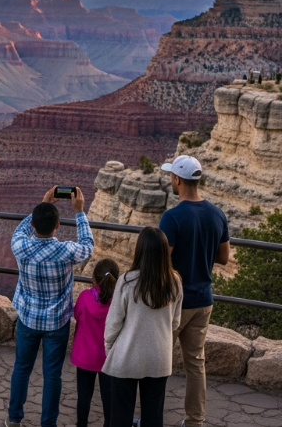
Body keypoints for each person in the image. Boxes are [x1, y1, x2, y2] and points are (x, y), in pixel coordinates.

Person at [6, 186, 93, 427]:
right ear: (57, 226)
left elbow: (21, 230)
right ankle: (48, 424)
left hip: (28, 319)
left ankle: (14, 419)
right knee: (52, 374)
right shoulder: (66, 251)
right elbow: (88, 245)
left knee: (22, 368)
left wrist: (43, 203)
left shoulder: (21, 247)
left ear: (33, 224)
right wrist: (79, 212)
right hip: (57, 322)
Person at [159, 155, 229, 427]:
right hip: (203, 299)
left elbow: (160, 261)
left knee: (159, 362)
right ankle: (195, 421)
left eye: (171, 177)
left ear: (177, 179)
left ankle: (153, 417)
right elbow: (223, 257)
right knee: (195, 364)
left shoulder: (172, 217)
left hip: (174, 302)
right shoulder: (217, 214)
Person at [102, 227, 183, 427]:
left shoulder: (127, 281)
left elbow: (113, 323)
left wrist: (109, 348)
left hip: (127, 354)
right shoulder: (175, 281)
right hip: (159, 357)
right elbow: (175, 322)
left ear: (140, 250)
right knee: (153, 416)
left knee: (120, 415)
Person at [71, 258, 119, 427]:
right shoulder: (118, 303)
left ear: (93, 278)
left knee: (84, 395)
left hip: (85, 356)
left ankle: (81, 424)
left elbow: (77, 315)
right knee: (109, 397)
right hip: (109, 357)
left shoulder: (85, 297)